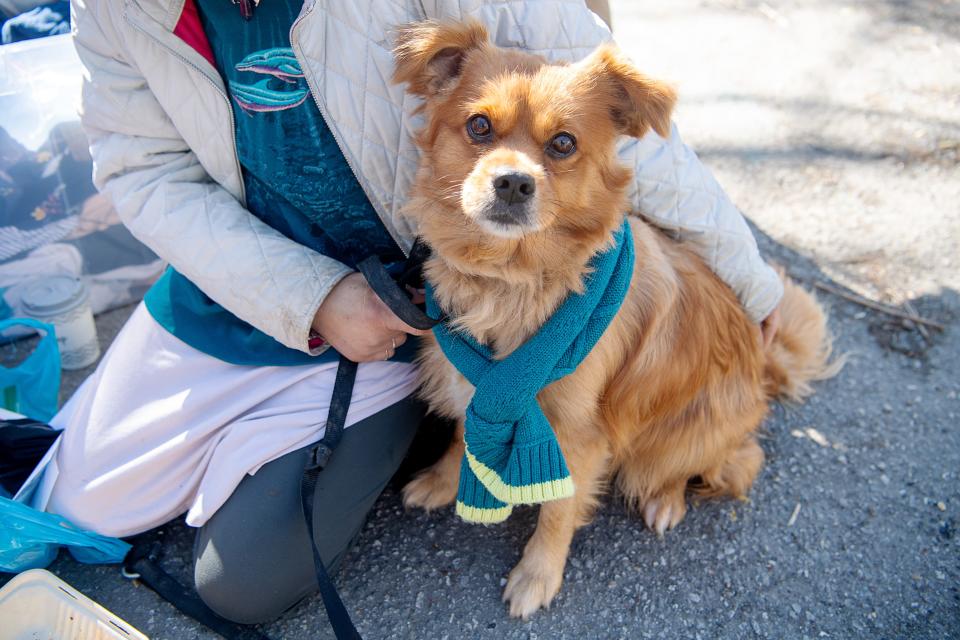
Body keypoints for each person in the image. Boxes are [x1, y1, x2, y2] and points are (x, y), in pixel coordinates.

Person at [49, 0, 784, 626]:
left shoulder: (582, 216)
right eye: (484, 133)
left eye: (554, 148)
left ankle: (667, 478)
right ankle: (447, 449)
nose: (514, 169)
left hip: (393, 298)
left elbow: (621, 129)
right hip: (244, 279)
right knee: (79, 504)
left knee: (241, 583)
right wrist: (311, 296)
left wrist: (755, 286)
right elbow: (146, 171)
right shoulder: (113, 9)